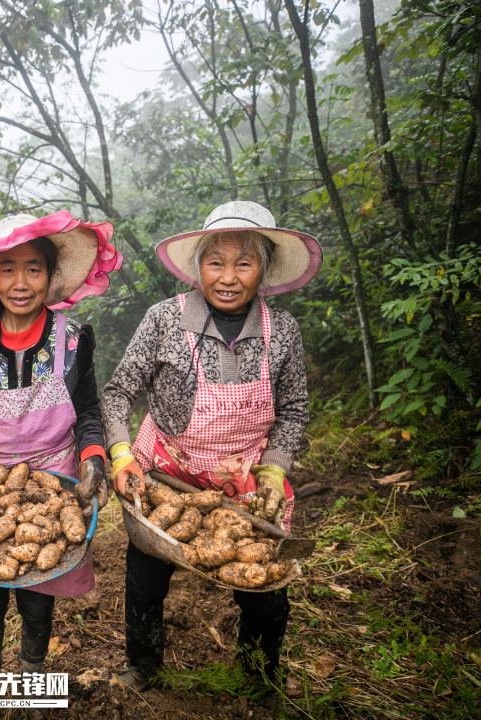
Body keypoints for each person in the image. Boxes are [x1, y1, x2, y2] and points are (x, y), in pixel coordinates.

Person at [101, 200, 322, 692]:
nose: (228, 276)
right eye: (215, 261)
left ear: (263, 269)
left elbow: (293, 409)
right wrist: (119, 454)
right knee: (145, 578)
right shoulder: (164, 319)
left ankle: (258, 675)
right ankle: (143, 663)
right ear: (196, 267)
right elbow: (118, 394)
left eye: (244, 263)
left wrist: (274, 471)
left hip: (245, 483)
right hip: (163, 474)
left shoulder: (281, 330)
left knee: (265, 589)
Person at [0, 211, 122, 711]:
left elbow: (87, 412)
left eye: (33, 269)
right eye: (8, 269)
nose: (21, 283)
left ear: (51, 275)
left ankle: (32, 680)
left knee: (41, 590)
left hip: (53, 484)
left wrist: (93, 457)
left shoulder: (74, 337)